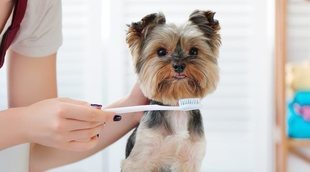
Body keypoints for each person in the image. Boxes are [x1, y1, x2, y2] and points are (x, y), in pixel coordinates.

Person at [0, 0, 148, 171]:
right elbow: (27, 130)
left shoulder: (40, 4)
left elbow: (33, 154)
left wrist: (132, 109)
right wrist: (24, 122)